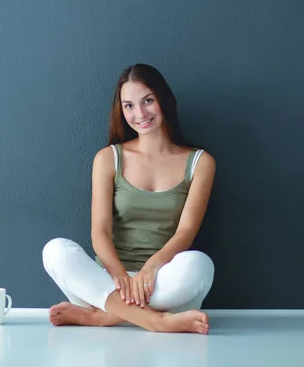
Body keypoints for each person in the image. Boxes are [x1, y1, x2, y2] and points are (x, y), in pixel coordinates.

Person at [42, 64, 216, 334]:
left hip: (162, 283)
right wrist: (120, 276)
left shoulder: (200, 162)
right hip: (108, 282)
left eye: (148, 100)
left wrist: (151, 269)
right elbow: (99, 231)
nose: (140, 114)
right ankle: (156, 321)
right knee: (55, 250)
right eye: (129, 106)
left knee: (201, 265)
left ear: (164, 99)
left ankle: (100, 317)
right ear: (121, 111)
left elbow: (186, 232)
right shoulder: (107, 158)